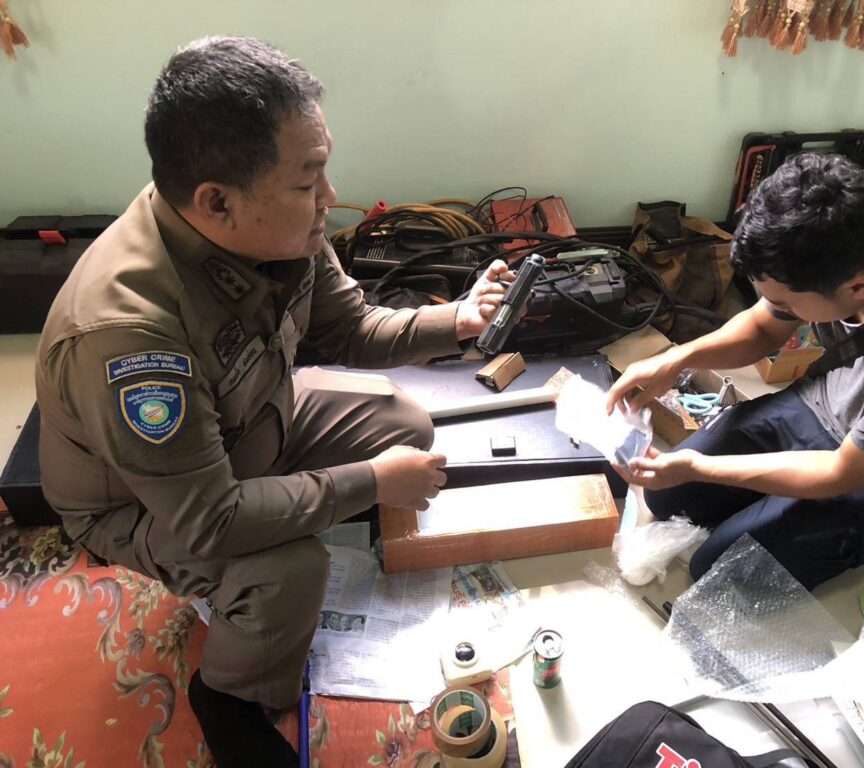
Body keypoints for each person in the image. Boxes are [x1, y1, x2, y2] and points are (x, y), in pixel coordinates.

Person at [34, 37, 510, 767]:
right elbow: (210, 517)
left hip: (249, 419)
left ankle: (288, 528)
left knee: (402, 425)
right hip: (142, 502)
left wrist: (460, 320)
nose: (329, 197)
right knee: (290, 572)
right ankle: (228, 695)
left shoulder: (273, 227)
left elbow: (349, 328)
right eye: (308, 180)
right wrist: (368, 484)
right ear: (217, 201)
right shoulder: (128, 336)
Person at [608, 153, 864, 590]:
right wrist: (677, 359)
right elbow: (763, 328)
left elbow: (841, 472)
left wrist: (700, 467)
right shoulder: (843, 241)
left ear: (859, 287)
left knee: (719, 573)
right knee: (665, 494)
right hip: (820, 403)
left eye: (787, 303)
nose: (779, 309)